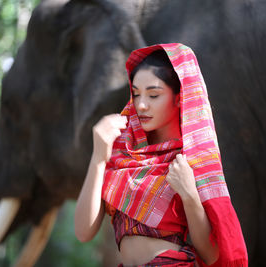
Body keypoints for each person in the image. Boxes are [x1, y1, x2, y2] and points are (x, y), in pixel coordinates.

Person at [74, 43, 248, 267]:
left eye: (154, 95)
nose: (142, 105)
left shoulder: (191, 159)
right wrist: (98, 156)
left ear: (179, 97)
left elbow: (212, 254)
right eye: (136, 94)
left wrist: (189, 194)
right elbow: (83, 232)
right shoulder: (121, 154)